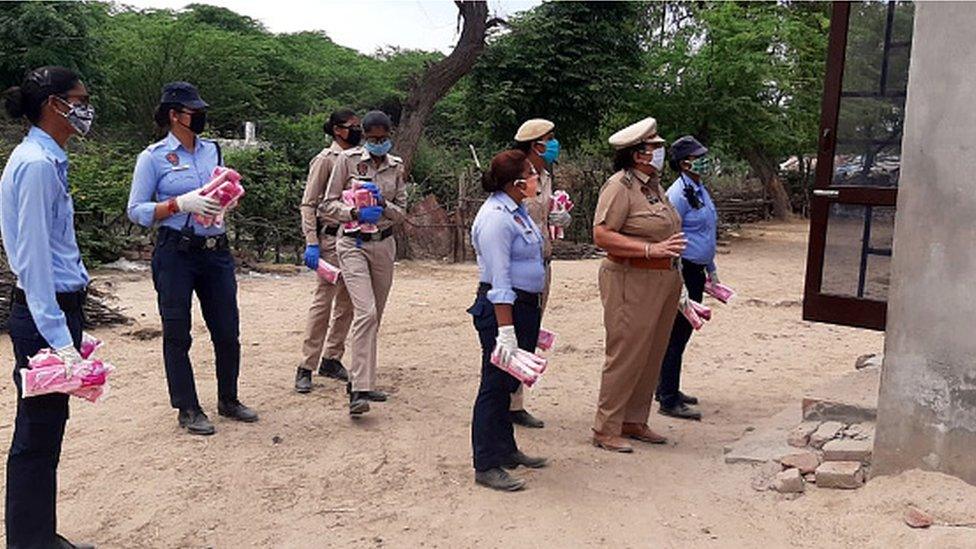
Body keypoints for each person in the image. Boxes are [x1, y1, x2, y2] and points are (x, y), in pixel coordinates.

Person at [127, 82, 258, 436]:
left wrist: (228, 200)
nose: (200, 116)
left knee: (227, 330)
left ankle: (228, 399)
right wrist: (178, 204)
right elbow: (136, 210)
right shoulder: (152, 157)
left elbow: (221, 187)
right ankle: (187, 407)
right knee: (177, 331)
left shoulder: (212, 150)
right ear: (174, 115)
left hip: (215, 250)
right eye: (192, 111)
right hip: (176, 252)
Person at [1, 66, 95, 549]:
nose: (85, 108)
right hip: (44, 318)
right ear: (53, 105)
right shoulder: (36, 165)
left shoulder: (47, 159)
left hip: (55, 311)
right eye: (78, 99)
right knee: (37, 436)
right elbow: (35, 261)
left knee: (46, 431)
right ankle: (29, 542)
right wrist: (60, 340)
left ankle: (37, 536)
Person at [591, 117, 687, 453]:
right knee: (626, 352)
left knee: (652, 352)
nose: (661, 152)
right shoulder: (619, 187)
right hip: (630, 278)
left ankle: (634, 419)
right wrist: (649, 249)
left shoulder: (654, 186)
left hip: (663, 278)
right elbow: (602, 234)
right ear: (638, 154)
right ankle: (606, 427)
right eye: (655, 147)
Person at [468, 149, 548, 491]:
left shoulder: (518, 211)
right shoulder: (496, 218)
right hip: (503, 310)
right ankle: (486, 463)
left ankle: (506, 449)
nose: (535, 179)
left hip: (524, 307)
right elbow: (499, 281)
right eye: (531, 174)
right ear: (517, 182)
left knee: (507, 387)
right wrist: (506, 331)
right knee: (494, 385)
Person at [322, 110, 407, 415]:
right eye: (373, 138)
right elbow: (327, 204)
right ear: (365, 137)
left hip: (383, 243)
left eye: (383, 138)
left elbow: (402, 211)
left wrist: (383, 205)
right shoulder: (347, 161)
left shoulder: (396, 167)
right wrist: (354, 213)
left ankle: (364, 380)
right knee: (365, 311)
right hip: (352, 243)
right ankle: (358, 389)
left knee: (375, 316)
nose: (378, 143)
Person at [508, 118, 570, 429]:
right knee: (512, 333)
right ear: (536, 144)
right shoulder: (516, 175)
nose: (554, 144)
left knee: (529, 334)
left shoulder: (544, 176)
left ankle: (516, 401)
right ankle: (505, 399)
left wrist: (559, 218)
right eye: (550, 139)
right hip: (518, 267)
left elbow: (542, 215)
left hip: (543, 262)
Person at [295, 109, 360, 393]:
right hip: (330, 239)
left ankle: (332, 357)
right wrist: (311, 241)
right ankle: (306, 365)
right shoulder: (325, 160)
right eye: (351, 126)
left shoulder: (360, 158)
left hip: (356, 239)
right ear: (336, 130)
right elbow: (309, 203)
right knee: (323, 303)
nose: (357, 130)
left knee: (348, 303)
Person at [656, 136, 718, 421]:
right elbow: (670, 235)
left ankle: (669, 388)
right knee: (677, 333)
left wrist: (712, 270)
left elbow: (705, 232)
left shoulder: (699, 189)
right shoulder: (678, 194)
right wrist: (678, 277)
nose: (705, 160)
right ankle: (668, 397)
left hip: (697, 269)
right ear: (685, 163)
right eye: (699, 156)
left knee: (683, 333)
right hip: (684, 271)